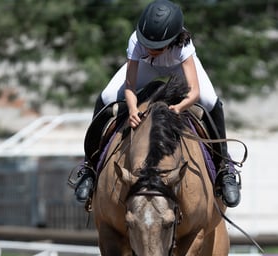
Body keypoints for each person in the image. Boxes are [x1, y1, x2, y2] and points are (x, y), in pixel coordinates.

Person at [74, 0, 241, 207]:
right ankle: (89, 168)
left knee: (211, 101)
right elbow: (129, 85)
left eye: (157, 46)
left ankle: (225, 168)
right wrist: (133, 108)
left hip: (177, 67)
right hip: (147, 67)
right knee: (106, 97)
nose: (151, 48)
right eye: (148, 44)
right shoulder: (136, 41)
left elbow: (194, 92)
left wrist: (178, 108)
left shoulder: (183, 45)